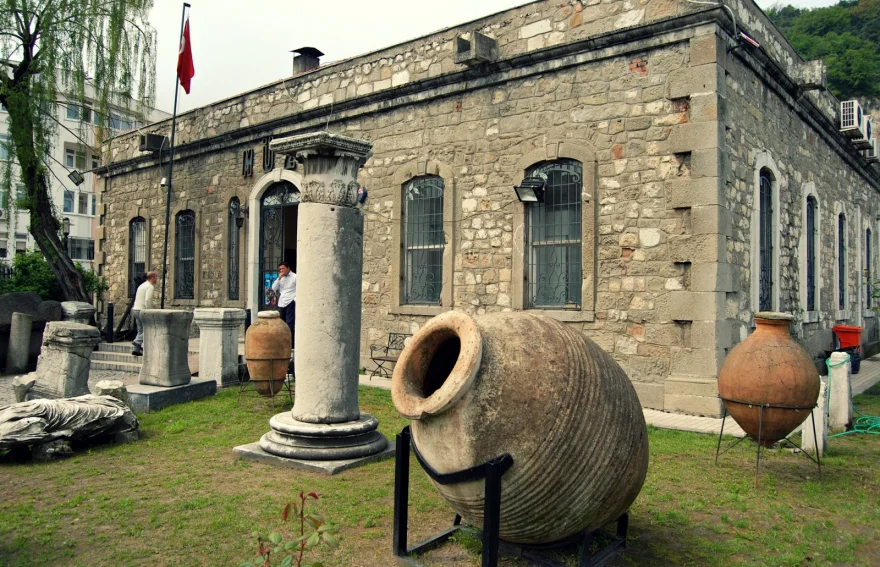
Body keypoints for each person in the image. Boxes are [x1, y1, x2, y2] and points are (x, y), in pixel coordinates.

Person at [131, 271, 158, 356]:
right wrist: (150, 310)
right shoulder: (150, 287)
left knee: (140, 330)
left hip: (135, 309)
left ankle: (136, 350)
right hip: (142, 310)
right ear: (152, 277)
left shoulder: (142, 285)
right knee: (148, 329)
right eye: (156, 277)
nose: (157, 279)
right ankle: (137, 342)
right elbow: (148, 299)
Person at [272, 262, 297, 340]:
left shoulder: (295, 277)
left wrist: (295, 300)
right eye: (280, 269)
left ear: (288, 268)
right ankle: (283, 340)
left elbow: (300, 288)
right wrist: (278, 279)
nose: (281, 270)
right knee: (282, 322)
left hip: (291, 301)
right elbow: (274, 288)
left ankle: (290, 341)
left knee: (290, 322)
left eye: (283, 268)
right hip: (282, 302)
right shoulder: (280, 278)